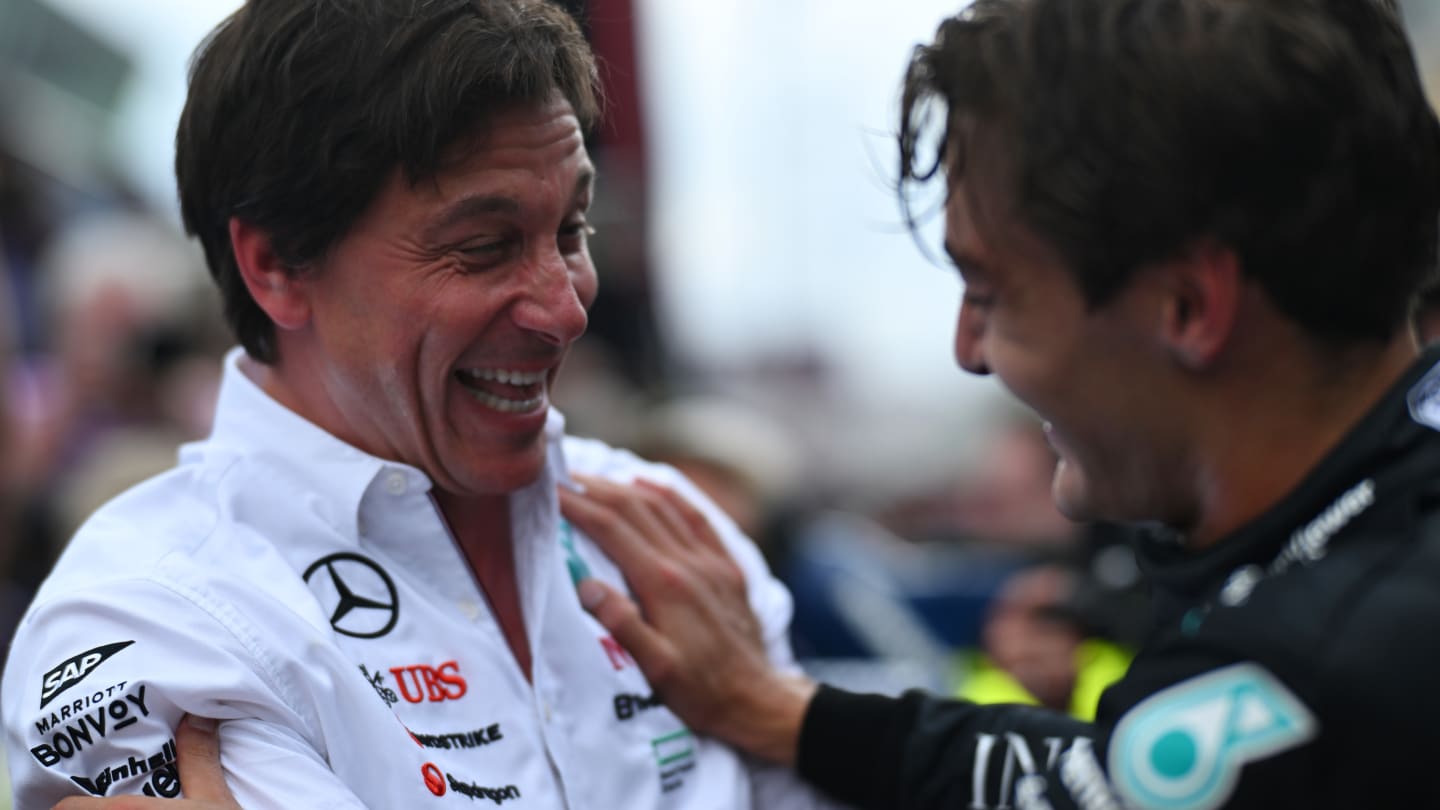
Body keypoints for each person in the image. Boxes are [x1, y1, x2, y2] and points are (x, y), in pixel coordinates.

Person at [558, 0, 1440, 808]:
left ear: (1187, 308)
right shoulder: (1366, 540)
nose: (969, 350)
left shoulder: (1321, 669)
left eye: (992, 291)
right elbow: (1090, 775)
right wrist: (781, 709)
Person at [0, 2, 844, 807]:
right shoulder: (144, 619)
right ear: (276, 265)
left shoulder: (673, 534)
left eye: (573, 231)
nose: (567, 308)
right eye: (484, 248)